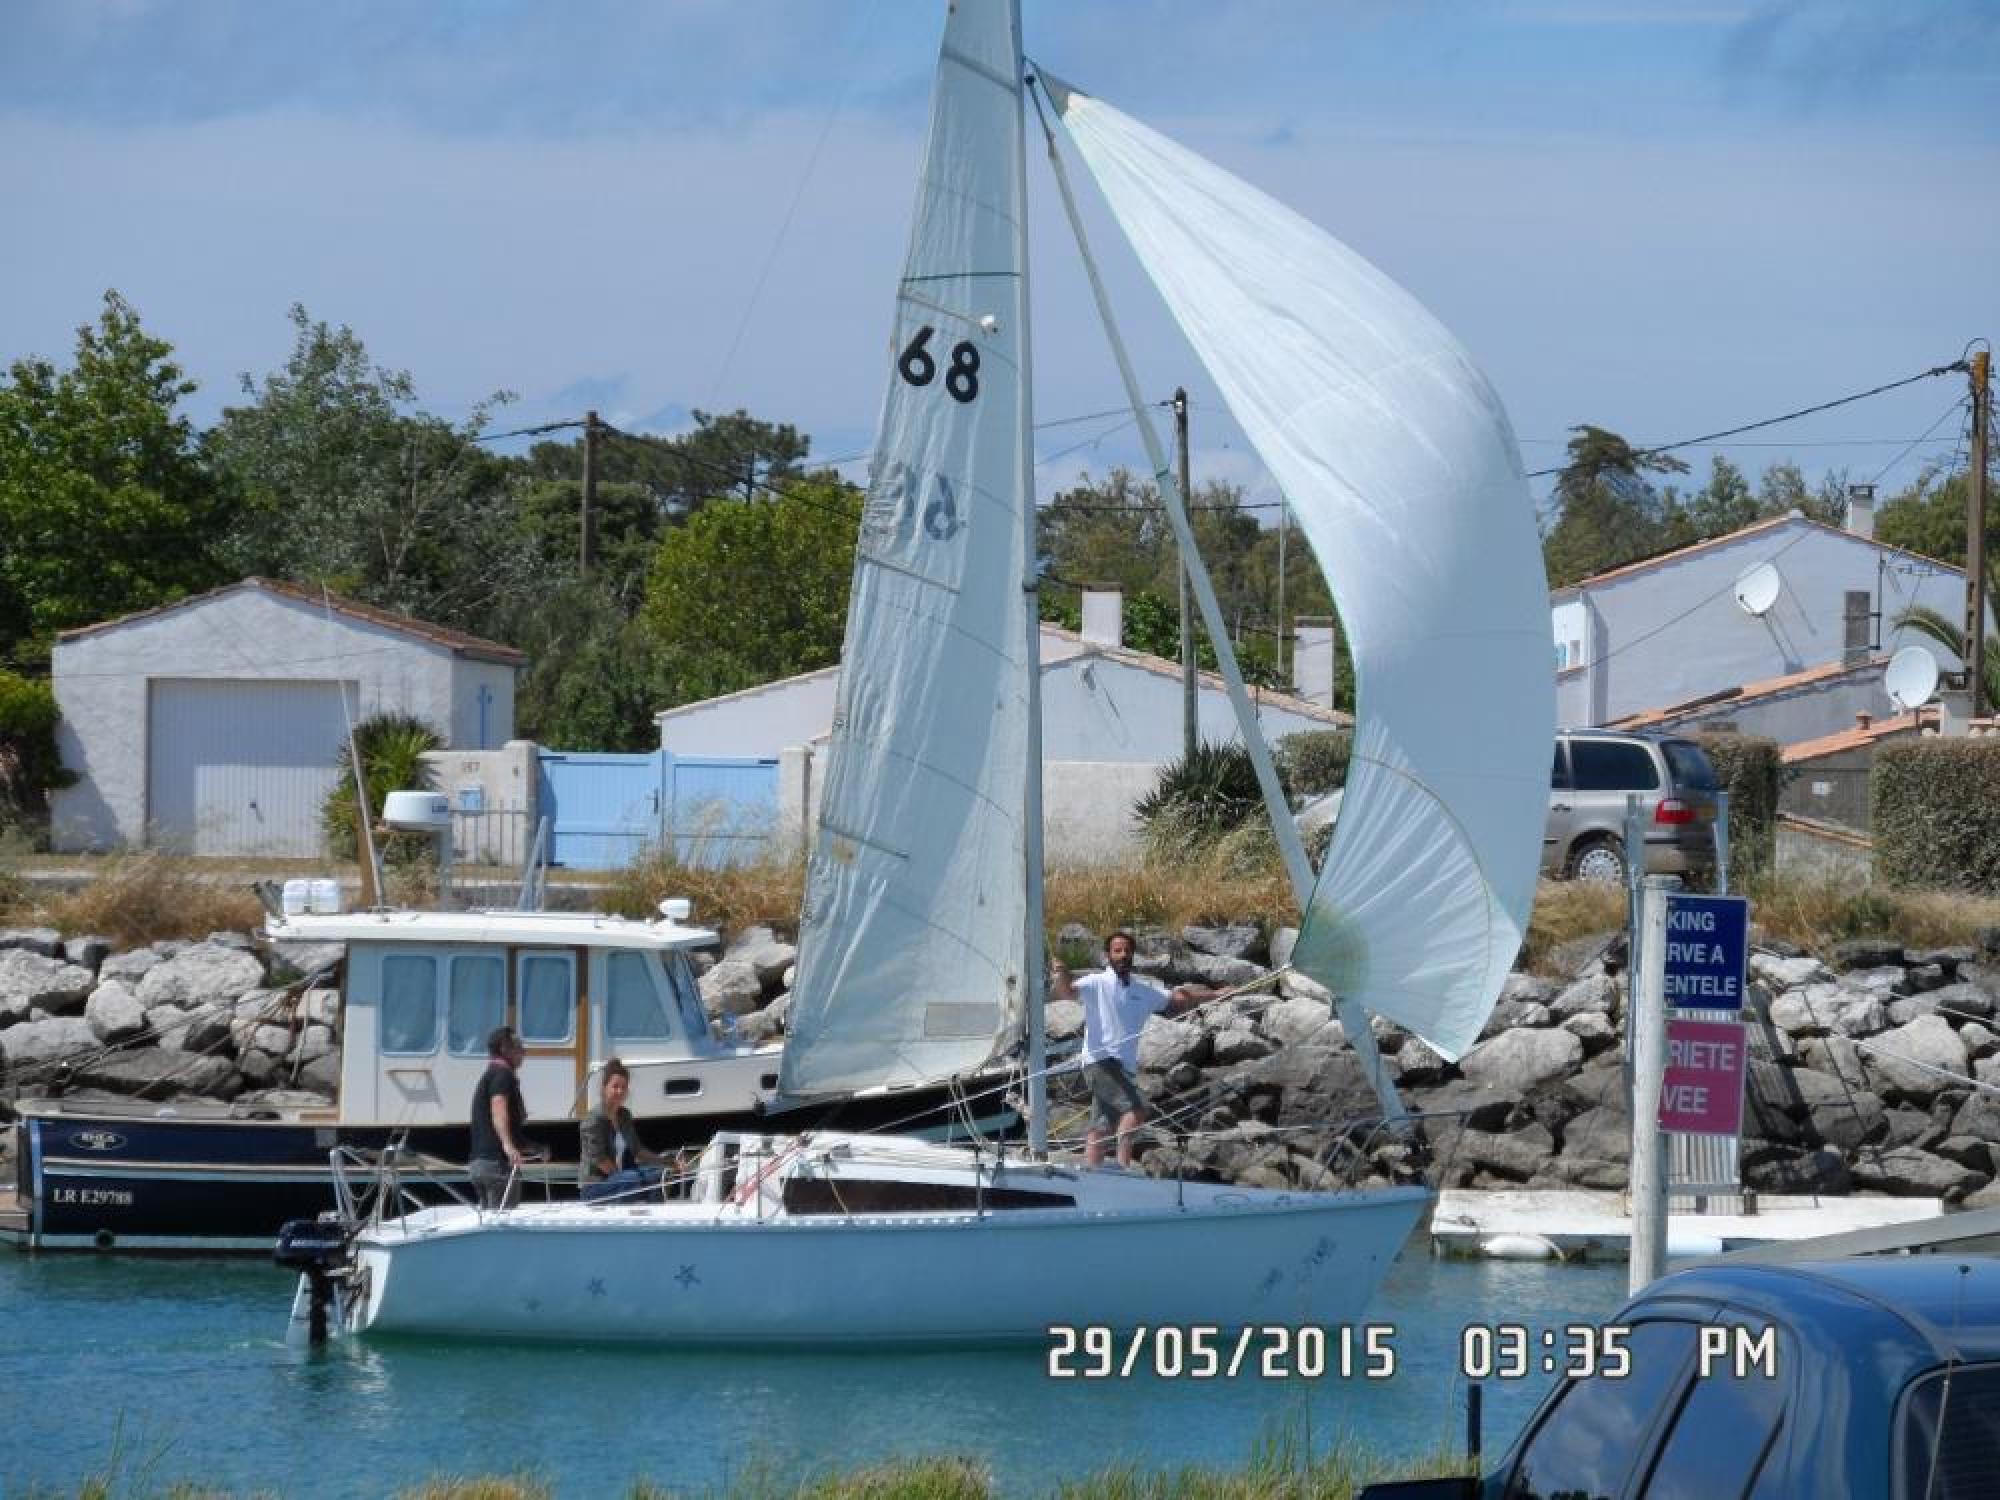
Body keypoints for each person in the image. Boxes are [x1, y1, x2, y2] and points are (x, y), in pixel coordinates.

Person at [1050, 930, 1217, 1169]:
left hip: (1122, 1068)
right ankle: (1122, 1166)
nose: (1123, 955)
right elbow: (1066, 991)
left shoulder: (1142, 991)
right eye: (1117, 951)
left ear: (1133, 956)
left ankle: (1091, 1171)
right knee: (1137, 1110)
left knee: (1102, 1123)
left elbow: (1179, 999)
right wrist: (1062, 973)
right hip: (1101, 1062)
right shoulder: (1097, 983)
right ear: (1108, 955)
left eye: (1127, 951)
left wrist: (1217, 994)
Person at [578, 1057, 668, 1203]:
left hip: (623, 1178)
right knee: (633, 1178)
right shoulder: (592, 1120)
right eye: (615, 1086)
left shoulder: (624, 1115)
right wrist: (624, 1177)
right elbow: (600, 1160)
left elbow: (638, 1150)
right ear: (604, 1087)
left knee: (657, 1174)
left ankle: (654, 1219)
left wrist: (668, 1163)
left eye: (624, 1087)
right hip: (595, 1187)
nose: (620, 1091)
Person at [468, 1025, 535, 1209]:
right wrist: (508, 1145)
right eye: (518, 1046)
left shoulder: (490, 1075)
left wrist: (532, 1147)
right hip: (496, 1165)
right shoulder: (502, 1075)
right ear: (504, 1048)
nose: (524, 1051)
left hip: (479, 1164)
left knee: (489, 1220)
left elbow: (503, 1123)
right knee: (504, 1221)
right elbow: (498, 1109)